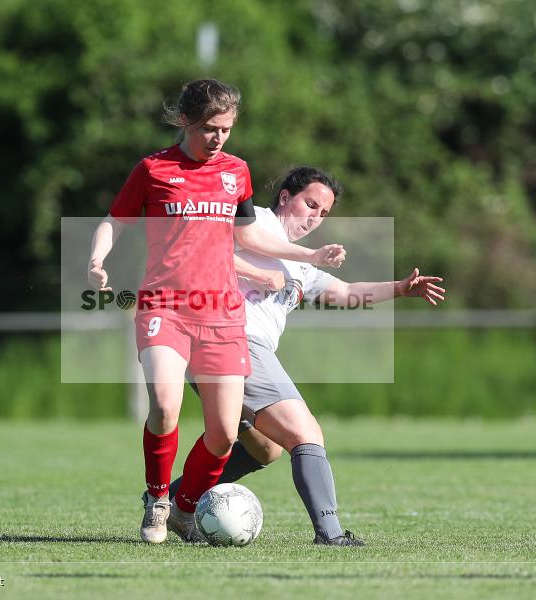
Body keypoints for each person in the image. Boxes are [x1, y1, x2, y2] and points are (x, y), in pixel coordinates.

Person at [88, 81, 346, 544]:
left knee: (226, 434)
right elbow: (116, 219)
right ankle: (157, 501)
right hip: (165, 305)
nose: (218, 137)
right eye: (209, 128)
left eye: (226, 129)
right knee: (165, 407)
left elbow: (247, 237)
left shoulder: (236, 172)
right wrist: (96, 258)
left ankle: (185, 508)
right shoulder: (154, 169)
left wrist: (307, 258)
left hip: (222, 316)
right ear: (185, 121)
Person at [168, 166, 445, 545]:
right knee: (305, 432)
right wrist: (259, 274)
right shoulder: (257, 223)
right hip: (230, 338)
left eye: (324, 213)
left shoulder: (301, 261)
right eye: (310, 204)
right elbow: (203, 251)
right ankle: (330, 535)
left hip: (224, 349)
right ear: (285, 197)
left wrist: (399, 288)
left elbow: (346, 292)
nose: (315, 217)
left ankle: (170, 501)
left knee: (263, 450)